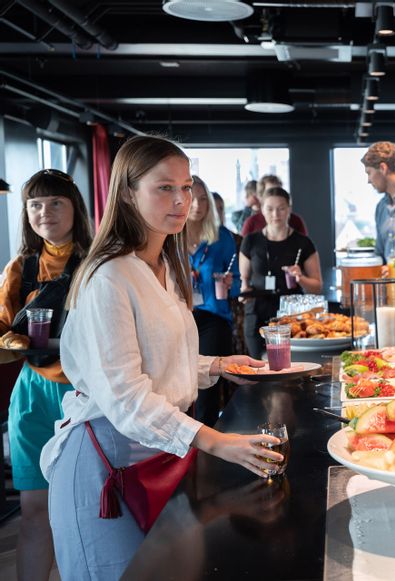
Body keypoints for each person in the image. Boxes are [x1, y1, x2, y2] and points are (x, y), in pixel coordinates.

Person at [41, 136, 283, 580]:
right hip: (103, 466)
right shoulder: (108, 276)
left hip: (156, 457)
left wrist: (217, 365)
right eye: (165, 188)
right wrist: (216, 441)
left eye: (186, 187)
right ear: (127, 193)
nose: (181, 200)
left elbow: (155, 361)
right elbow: (126, 396)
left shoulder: (164, 266)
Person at [0, 169, 92, 581]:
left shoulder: (99, 264)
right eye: (35, 205)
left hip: (86, 393)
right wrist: (11, 340)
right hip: (33, 394)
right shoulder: (20, 268)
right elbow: (2, 325)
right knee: (35, 510)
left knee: (86, 508)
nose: (44, 212)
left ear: (76, 209)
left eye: (56, 202)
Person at [239, 186, 322, 358]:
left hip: (291, 315)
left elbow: (317, 286)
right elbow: (244, 281)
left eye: (281, 208)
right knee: (259, 366)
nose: (275, 214)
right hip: (256, 313)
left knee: (288, 365)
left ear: (289, 209)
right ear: (262, 210)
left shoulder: (303, 243)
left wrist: (300, 278)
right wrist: (243, 292)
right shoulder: (251, 241)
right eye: (270, 209)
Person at [186, 176, 241, 426]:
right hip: (180, 317)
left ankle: (205, 443)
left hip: (213, 318)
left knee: (206, 392)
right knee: (179, 387)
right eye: (192, 198)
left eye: (202, 199)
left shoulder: (222, 237)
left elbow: (237, 285)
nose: (197, 205)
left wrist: (230, 283)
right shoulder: (170, 237)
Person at [240, 175, 308, 237]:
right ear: (260, 197)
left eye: (279, 191)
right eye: (270, 192)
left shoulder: (296, 221)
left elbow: (305, 245)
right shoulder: (251, 223)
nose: (276, 195)